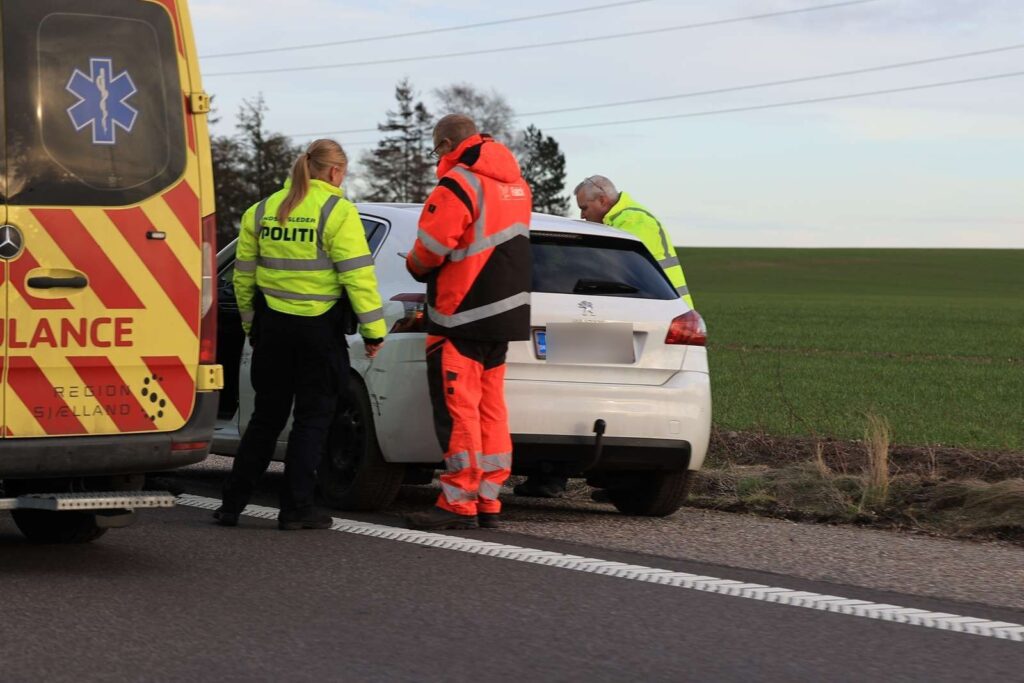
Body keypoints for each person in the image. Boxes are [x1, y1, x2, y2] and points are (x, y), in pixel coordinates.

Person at [214, 139, 387, 530]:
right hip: (319, 331)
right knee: (312, 420)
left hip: (271, 330)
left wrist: (249, 325)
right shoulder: (338, 212)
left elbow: (243, 279)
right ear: (335, 172)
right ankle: (296, 509)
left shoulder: (261, 211)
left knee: (265, 418)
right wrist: (374, 331)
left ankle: (231, 505)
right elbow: (358, 277)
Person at [515, 175, 695, 500]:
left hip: (638, 316)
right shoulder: (621, 221)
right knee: (587, 400)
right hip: (650, 318)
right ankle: (582, 478)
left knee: (567, 395)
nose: (583, 215)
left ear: (602, 200)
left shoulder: (630, 223)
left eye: (585, 208)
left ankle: (599, 480)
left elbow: (613, 271)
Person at [403, 114, 532, 530]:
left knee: (459, 413)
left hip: (459, 313)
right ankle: (488, 501)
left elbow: (433, 247)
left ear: (445, 144)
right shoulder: (515, 185)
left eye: (436, 148)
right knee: (491, 411)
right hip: (505, 314)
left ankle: (457, 502)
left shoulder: (459, 182)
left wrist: (413, 265)